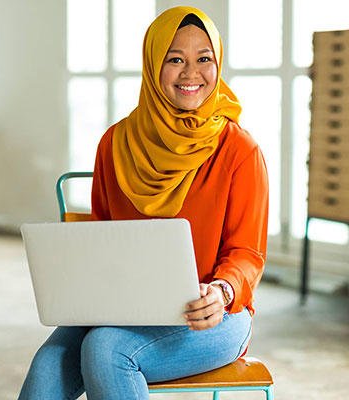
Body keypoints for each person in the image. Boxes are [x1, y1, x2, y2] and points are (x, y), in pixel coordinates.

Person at [18, 6, 268, 400]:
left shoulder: (239, 149)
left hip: (212, 317)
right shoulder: (115, 144)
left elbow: (247, 253)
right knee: (50, 360)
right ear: (153, 66)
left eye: (204, 59)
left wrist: (222, 291)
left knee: (106, 349)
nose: (191, 74)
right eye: (175, 60)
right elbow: (102, 240)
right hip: (122, 308)